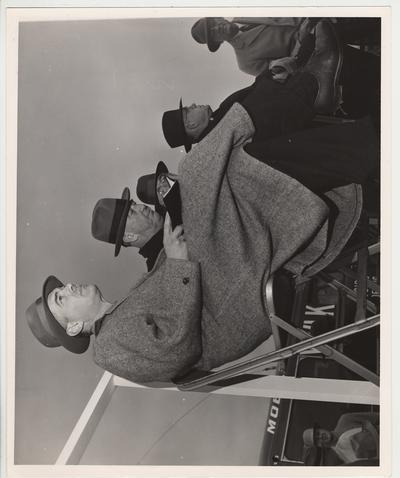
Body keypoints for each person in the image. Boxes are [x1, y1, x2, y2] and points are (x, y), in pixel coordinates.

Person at [27, 99, 371, 384]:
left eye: (62, 288)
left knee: (228, 172)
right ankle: (310, 108)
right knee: (199, 172)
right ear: (73, 327)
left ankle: (343, 132)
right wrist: (177, 264)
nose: (69, 286)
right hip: (226, 309)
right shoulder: (107, 348)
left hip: (220, 290)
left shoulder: (117, 318)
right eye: (61, 297)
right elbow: (175, 350)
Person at [163, 19, 342, 152]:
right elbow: (263, 104)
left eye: (213, 22)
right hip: (313, 64)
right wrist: (303, 45)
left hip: (317, 40)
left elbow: (257, 91)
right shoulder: (224, 130)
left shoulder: (221, 117)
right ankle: (317, 88)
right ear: (191, 126)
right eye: (188, 110)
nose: (193, 104)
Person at [190, 17, 319, 78]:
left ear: (218, 18)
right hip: (314, 48)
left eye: (213, 23)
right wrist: (302, 39)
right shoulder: (245, 63)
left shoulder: (245, 12)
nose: (217, 27)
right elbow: (287, 71)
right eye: (213, 33)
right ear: (218, 42)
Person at [302, 412, 379, 465]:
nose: (320, 436)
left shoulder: (345, 419)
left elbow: (378, 416)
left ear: (321, 428)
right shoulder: (339, 459)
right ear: (319, 446)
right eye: (317, 440)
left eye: (318, 433)